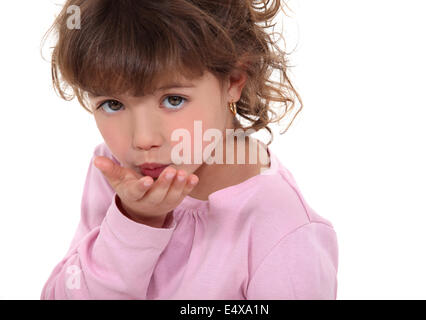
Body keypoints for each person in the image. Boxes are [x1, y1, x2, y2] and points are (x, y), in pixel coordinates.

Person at [40, 0, 339, 299]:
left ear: (234, 80)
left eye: (173, 100)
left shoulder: (284, 231)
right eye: (113, 104)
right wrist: (134, 221)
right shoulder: (117, 175)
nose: (143, 139)